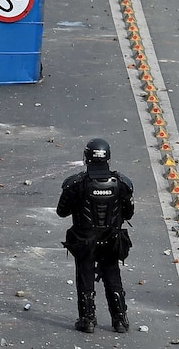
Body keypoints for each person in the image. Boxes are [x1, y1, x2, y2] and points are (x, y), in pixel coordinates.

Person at [57, 138, 134, 334]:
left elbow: (61, 211)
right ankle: (120, 320)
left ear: (87, 157)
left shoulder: (76, 184)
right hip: (111, 240)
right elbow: (128, 213)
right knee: (112, 275)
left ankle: (87, 320)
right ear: (107, 156)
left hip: (85, 240)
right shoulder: (122, 183)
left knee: (85, 277)